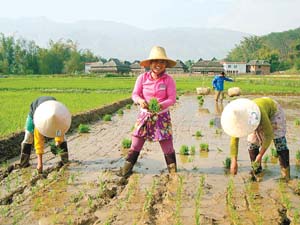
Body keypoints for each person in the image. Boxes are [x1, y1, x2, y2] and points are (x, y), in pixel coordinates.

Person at [119, 46, 177, 177]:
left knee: (167, 145)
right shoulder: (142, 78)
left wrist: (159, 106)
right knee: (136, 142)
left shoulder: (168, 80)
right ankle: (125, 172)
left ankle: (173, 174)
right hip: (145, 116)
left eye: (162, 62)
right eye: (155, 61)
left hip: (162, 117)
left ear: (166, 65)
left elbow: (171, 99)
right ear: (150, 64)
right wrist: (140, 101)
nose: (158, 65)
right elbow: (135, 94)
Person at [221, 97, 290, 180]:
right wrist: (234, 161)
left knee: (279, 142)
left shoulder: (257, 112)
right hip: (253, 118)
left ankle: (285, 174)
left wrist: (260, 155)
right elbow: (234, 141)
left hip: (273, 113)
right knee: (252, 144)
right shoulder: (237, 121)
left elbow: (269, 135)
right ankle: (257, 173)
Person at [19, 96, 72, 173]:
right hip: (34, 113)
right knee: (28, 138)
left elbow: (59, 133)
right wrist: (40, 164)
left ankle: (65, 160)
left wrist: (57, 142)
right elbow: (39, 142)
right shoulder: (40, 122)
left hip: (52, 109)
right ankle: (24, 163)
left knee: (62, 138)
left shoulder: (59, 118)